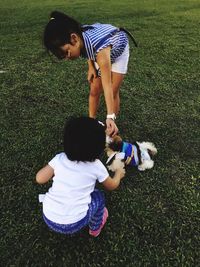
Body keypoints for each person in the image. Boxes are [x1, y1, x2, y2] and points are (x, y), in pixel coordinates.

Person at [43, 11, 137, 136]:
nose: (66, 58)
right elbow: (87, 48)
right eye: (62, 56)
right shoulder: (80, 37)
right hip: (101, 51)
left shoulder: (100, 50)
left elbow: (106, 83)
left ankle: (112, 122)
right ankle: (91, 123)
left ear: (74, 39)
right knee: (94, 89)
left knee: (113, 91)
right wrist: (91, 66)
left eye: (66, 53)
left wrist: (109, 116)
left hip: (118, 51)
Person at [36, 117, 125, 237]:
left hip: (48, 217)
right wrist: (118, 174)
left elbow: (39, 179)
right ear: (98, 148)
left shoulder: (60, 158)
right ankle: (95, 228)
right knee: (99, 196)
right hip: (75, 223)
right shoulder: (96, 166)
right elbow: (112, 185)